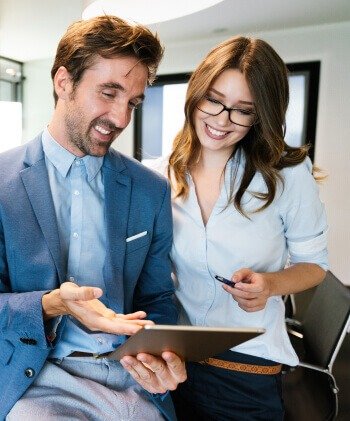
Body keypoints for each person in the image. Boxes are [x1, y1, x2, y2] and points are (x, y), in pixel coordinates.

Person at [0, 15, 186, 420]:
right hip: (38, 377)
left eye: (133, 102)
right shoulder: (1, 183)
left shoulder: (150, 190)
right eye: (108, 93)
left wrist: (160, 358)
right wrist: (52, 305)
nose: (121, 119)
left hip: (130, 377)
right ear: (63, 81)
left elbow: (156, 298)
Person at [148, 35, 328, 420]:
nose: (221, 120)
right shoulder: (162, 174)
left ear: (261, 116)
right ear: (196, 93)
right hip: (175, 360)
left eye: (242, 111)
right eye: (213, 100)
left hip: (245, 367)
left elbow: (315, 266)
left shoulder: (287, 175)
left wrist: (270, 285)